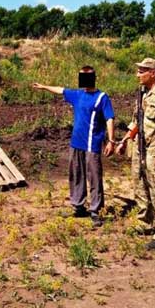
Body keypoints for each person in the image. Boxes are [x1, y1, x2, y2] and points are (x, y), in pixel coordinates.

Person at [32, 66, 116, 228]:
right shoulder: (77, 95)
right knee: (76, 174)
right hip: (76, 143)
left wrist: (111, 141)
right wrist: (43, 86)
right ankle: (78, 206)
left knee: (94, 177)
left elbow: (110, 119)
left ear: (93, 78)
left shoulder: (102, 97)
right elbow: (61, 90)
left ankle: (96, 211)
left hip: (92, 143)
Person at [116, 58, 155, 250]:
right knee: (140, 184)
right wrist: (125, 139)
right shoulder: (142, 93)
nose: (137, 74)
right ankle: (145, 222)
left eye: (142, 71)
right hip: (139, 147)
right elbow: (136, 121)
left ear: (153, 73)